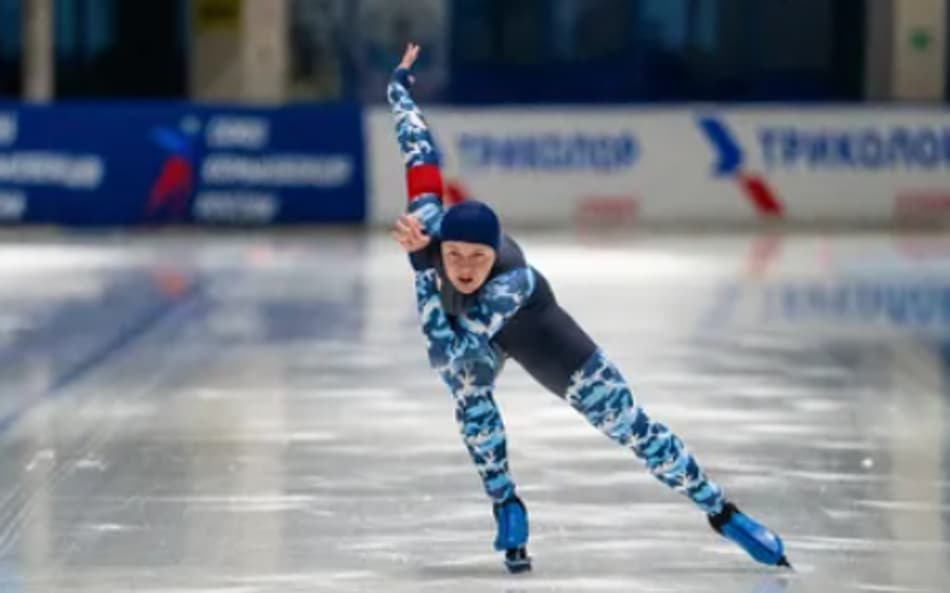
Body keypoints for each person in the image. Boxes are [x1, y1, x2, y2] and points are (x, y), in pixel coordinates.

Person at [388, 43, 790, 574]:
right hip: (468, 338)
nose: (462, 268)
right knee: (469, 393)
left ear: (495, 253)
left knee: (630, 423)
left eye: (477, 257)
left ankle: (722, 510)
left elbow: (446, 346)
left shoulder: (510, 282)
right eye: (454, 256)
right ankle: (507, 505)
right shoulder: (428, 229)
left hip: (537, 332)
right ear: (441, 244)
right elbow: (419, 151)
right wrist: (399, 85)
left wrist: (422, 271)